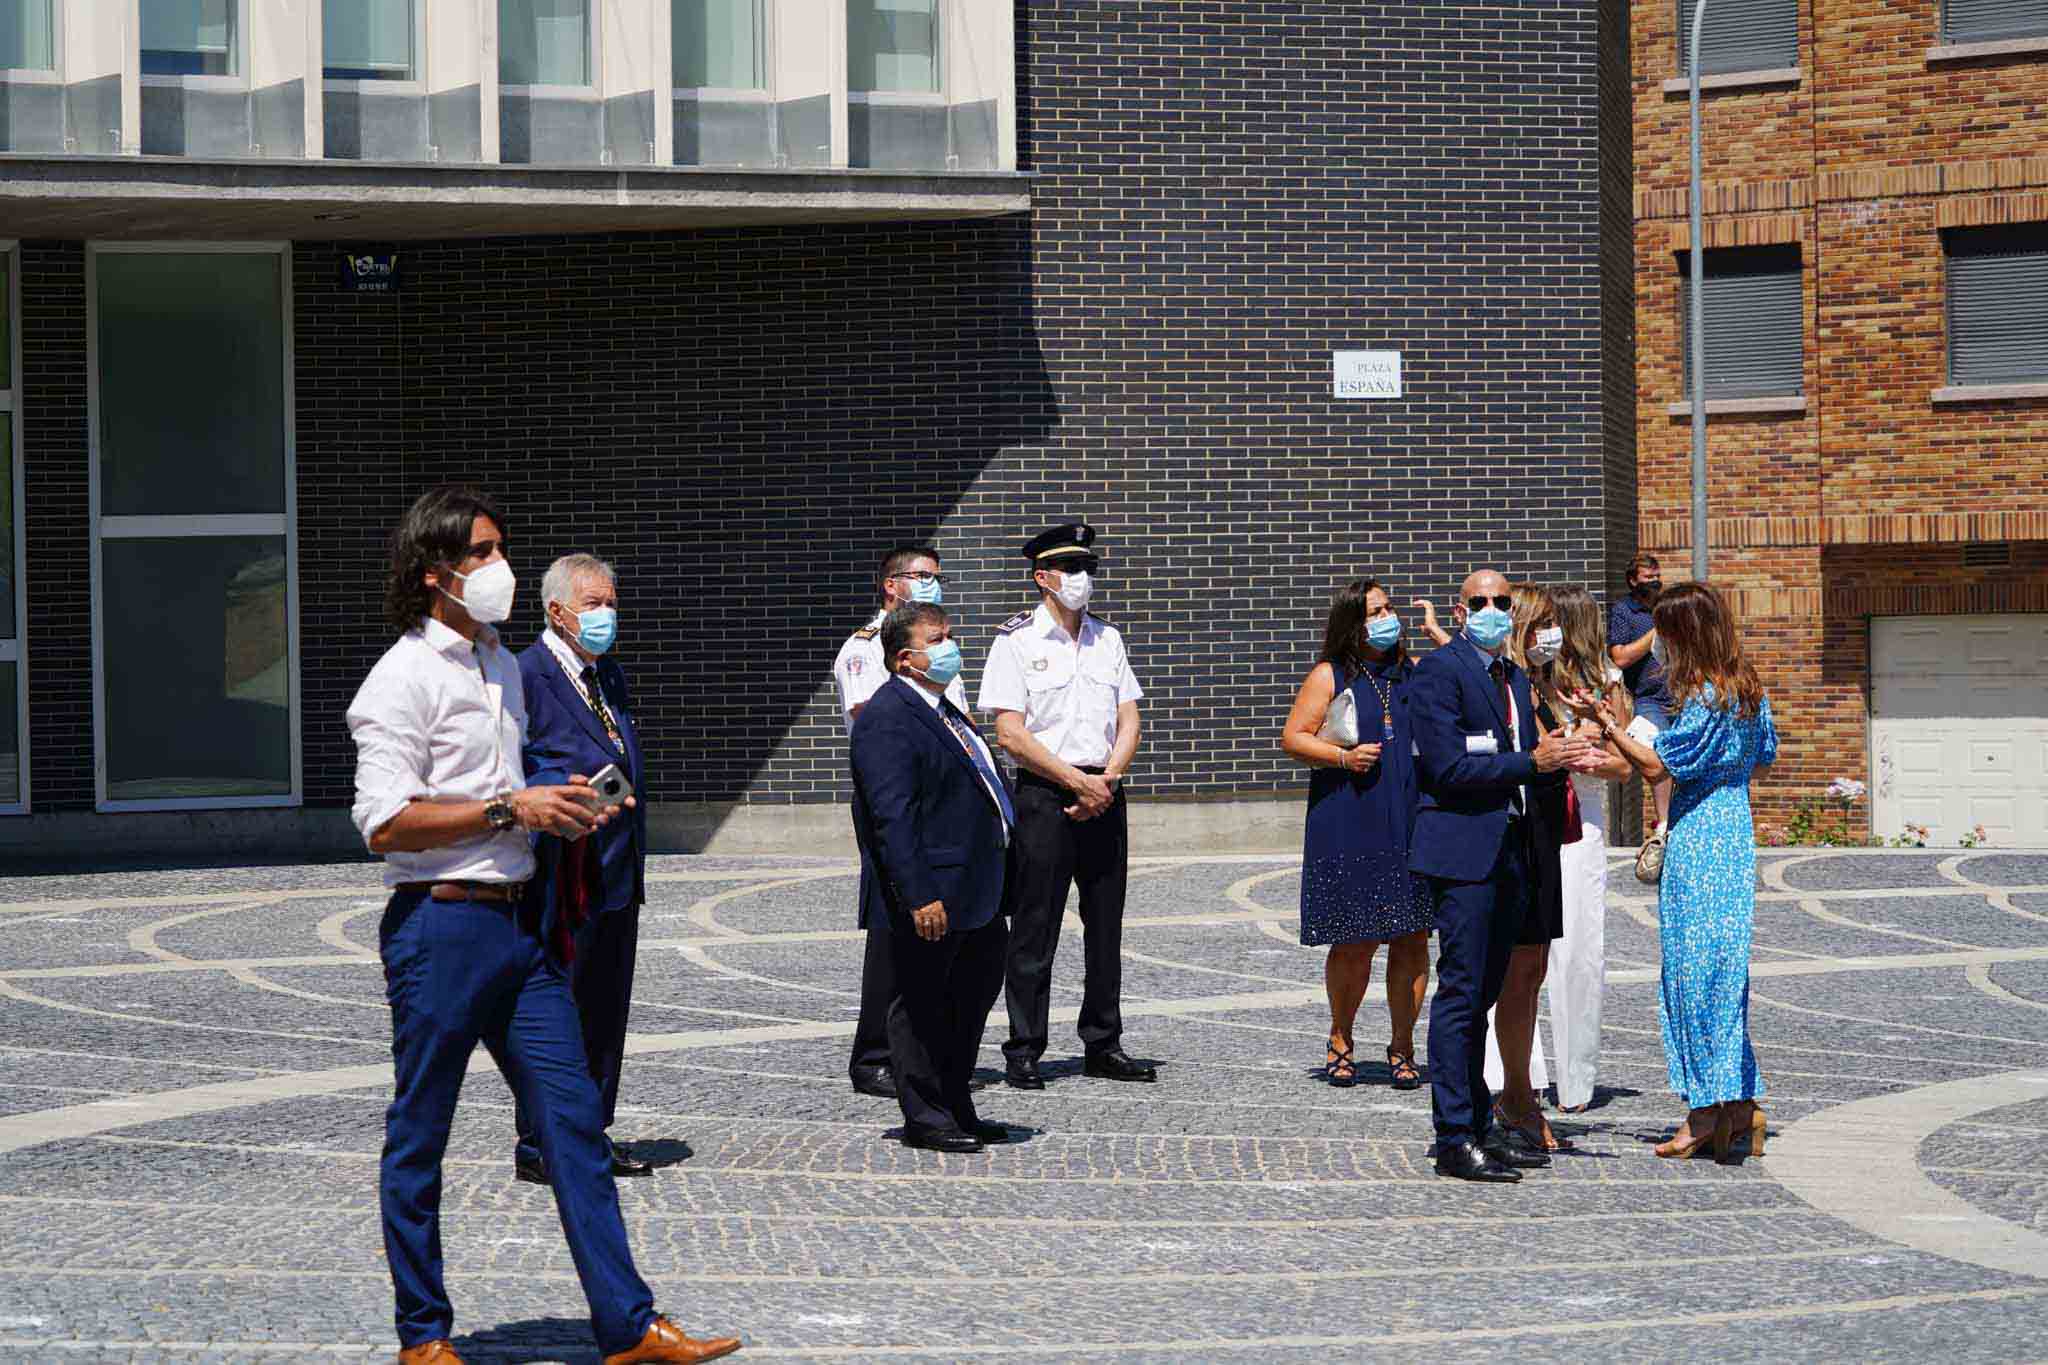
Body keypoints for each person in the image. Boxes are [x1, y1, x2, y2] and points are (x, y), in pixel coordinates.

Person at [347, 486, 738, 1365]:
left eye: (499, 548)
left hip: (522, 931)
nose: (499, 568)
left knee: (574, 1126)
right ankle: (424, 1339)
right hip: (439, 928)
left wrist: (555, 810)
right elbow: (382, 822)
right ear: (432, 572)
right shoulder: (399, 678)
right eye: (482, 552)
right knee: (422, 1134)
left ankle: (628, 1325)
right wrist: (504, 807)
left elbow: (513, 800)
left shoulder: (500, 667)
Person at [1569, 581, 1777, 1162]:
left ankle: (1704, 1112)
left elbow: (1657, 764)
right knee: (1723, 973)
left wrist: (1609, 724)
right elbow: (1762, 757)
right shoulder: (1748, 691)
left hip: (1698, 841)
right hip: (1734, 829)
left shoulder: (1707, 696)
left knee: (1692, 976)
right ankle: (1739, 1104)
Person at [1408, 567, 1588, 1183]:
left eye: (1501, 602)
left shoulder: (1512, 676)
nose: (1491, 610)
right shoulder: (1439, 672)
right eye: (1479, 601)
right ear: (1459, 612)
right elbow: (1444, 768)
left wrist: (1561, 753)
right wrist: (1530, 761)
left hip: (1512, 849)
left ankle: (1483, 1122)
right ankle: (1454, 1134)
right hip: (1462, 854)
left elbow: (1519, 756)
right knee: (1460, 995)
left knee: (1485, 995)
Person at [980, 522, 1154, 1089]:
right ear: (1043, 578)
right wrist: (1075, 785)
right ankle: (1025, 1047)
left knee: (1106, 929)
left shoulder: (1108, 638)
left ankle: (1103, 1042)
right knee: (1035, 927)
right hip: (1046, 795)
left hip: (1106, 790)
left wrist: (1108, 778)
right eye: (1071, 570)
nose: (1083, 580)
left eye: (1088, 570)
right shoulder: (1015, 641)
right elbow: (1010, 733)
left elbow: (1129, 716)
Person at [498, 553, 652, 1184]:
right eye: (593, 605)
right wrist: (562, 787)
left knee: (602, 1009)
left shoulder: (606, 673)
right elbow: (513, 761)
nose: (606, 615)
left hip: (615, 868)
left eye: (611, 603)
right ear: (557, 611)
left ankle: (589, 1132)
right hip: (560, 872)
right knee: (554, 1010)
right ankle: (540, 1143)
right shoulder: (526, 674)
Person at [848, 601, 1015, 1152]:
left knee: (969, 1000)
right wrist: (918, 893)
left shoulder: (944, 709)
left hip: (978, 890)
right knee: (921, 1004)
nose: (951, 647)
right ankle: (925, 1115)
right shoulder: (887, 716)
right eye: (938, 639)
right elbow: (890, 815)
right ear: (904, 659)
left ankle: (955, 1104)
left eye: (950, 635)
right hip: (933, 894)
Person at [1279, 579, 1432, 1090]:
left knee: (1412, 936)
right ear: (1353, 621)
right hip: (1350, 813)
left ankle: (1403, 1044)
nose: (1388, 617)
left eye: (1389, 607)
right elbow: (1293, 737)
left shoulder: (1412, 673)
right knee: (1355, 937)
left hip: (1409, 814)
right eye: (1376, 610)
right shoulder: (1331, 673)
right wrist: (1342, 756)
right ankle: (1341, 1037)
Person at [832, 546, 970, 1099]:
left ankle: (918, 1047)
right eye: (922, 578)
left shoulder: (936, 650)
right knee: (894, 925)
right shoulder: (868, 652)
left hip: (940, 806)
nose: (933, 585)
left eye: (938, 577)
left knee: (930, 934)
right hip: (899, 803)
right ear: (891, 586)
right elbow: (880, 732)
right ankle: (874, 1055)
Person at [1542, 584, 1633, 1114]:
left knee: (1578, 949)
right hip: (1533, 813)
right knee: (1523, 955)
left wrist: (1591, 754)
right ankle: (1521, 1077)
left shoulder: (1607, 682)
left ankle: (1576, 1082)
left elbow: (1627, 763)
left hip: (1584, 821)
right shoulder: (1530, 679)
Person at [1608, 552, 1674, 865]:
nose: (1655, 582)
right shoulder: (1624, 612)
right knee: (1657, 758)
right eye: (1648, 577)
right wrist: (1654, 631)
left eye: (1657, 575)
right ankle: (1665, 825)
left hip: (1681, 697)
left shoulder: (1668, 605)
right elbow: (1620, 657)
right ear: (1634, 580)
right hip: (1648, 698)